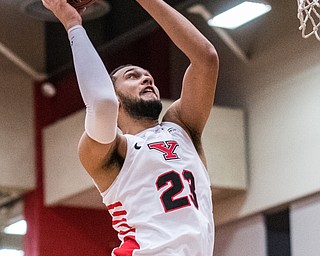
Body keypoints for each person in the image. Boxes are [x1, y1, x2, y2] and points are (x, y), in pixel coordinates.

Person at [42, 0, 219, 255]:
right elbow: (102, 103)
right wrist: (72, 24)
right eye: (132, 76)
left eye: (148, 76)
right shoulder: (112, 152)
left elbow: (206, 59)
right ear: (117, 99)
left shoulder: (182, 127)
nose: (146, 78)